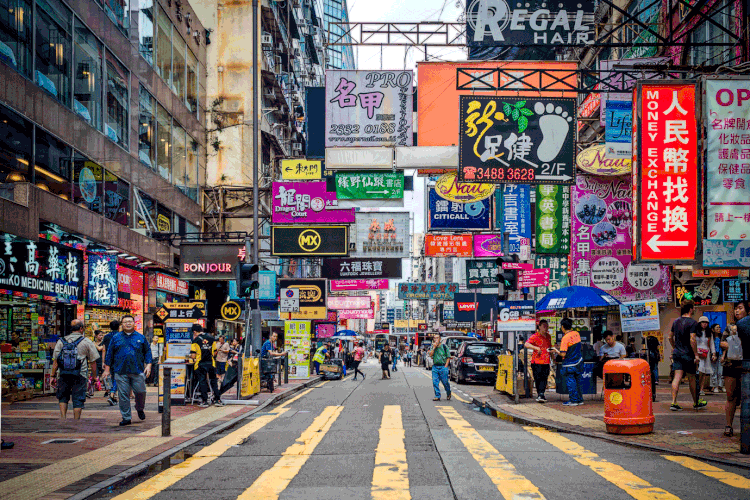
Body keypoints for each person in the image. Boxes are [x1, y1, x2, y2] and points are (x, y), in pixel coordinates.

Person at [102, 315, 152, 426]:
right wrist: (107, 369)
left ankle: (139, 408)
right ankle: (126, 417)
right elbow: (109, 354)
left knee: (141, 392)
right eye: (125, 322)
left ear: (134, 323)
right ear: (122, 324)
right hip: (120, 371)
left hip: (138, 371)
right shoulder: (116, 338)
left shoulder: (141, 337)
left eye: (130, 321)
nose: (128, 323)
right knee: (123, 395)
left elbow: (148, 352)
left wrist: (148, 365)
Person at [50, 319, 99, 420]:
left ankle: (63, 417)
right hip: (80, 374)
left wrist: (52, 375)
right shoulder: (86, 341)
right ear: (81, 329)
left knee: (63, 396)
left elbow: (56, 360)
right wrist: (94, 377)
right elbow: (93, 361)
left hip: (63, 373)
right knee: (78, 398)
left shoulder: (61, 341)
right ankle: (76, 420)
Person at [668, 301, 707, 411]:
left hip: (677, 353)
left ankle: (673, 402)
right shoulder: (693, 323)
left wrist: (675, 347)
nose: (694, 309)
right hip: (688, 354)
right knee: (692, 379)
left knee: (677, 377)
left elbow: (669, 337)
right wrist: (696, 354)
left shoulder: (675, 321)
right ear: (690, 309)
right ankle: (696, 402)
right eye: (693, 307)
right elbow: (692, 339)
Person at [721, 301, 749, 436]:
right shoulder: (730, 327)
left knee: (746, 396)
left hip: (745, 366)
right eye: (735, 309)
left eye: (740, 308)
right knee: (730, 396)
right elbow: (722, 342)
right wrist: (731, 345)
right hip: (731, 365)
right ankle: (728, 425)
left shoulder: (747, 326)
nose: (737, 311)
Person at [551, 318, 584, 407]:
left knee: (571, 382)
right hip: (579, 362)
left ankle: (573, 400)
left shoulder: (565, 338)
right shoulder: (577, 334)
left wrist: (555, 350)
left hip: (569, 364)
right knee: (578, 381)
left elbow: (562, 354)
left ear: (562, 327)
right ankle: (580, 400)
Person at [190, 324, 224, 408]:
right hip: (211, 363)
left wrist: (193, 356)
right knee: (213, 382)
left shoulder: (195, 340)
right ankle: (217, 400)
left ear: (194, 332)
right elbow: (215, 352)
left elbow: (193, 355)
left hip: (200, 364)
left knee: (202, 382)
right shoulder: (212, 338)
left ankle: (205, 401)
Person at [525, 319, 552, 403]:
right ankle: (540, 394)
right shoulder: (535, 336)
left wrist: (553, 358)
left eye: (547, 326)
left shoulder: (548, 336)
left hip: (546, 361)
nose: (546, 328)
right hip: (536, 362)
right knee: (538, 378)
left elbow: (550, 348)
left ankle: (541, 394)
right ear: (539, 327)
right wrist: (536, 348)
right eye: (544, 326)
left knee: (544, 378)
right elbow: (526, 344)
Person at [695, 316, 715, 396]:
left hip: (706, 353)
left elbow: (711, 343)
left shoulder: (709, 332)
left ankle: (701, 389)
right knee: (698, 372)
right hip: (697, 353)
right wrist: (696, 352)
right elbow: (693, 342)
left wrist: (713, 353)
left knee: (704, 373)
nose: (704, 324)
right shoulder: (695, 332)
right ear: (699, 323)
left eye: (706, 323)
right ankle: (696, 388)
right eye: (703, 322)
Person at [101, 320, 120, 406]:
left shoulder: (106, 336)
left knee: (112, 376)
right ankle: (112, 393)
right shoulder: (120, 335)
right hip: (118, 359)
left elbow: (104, 349)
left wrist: (104, 361)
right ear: (119, 326)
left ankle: (112, 394)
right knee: (116, 376)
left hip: (109, 359)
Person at [429, 333, 451, 401]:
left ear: (440, 339)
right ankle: (437, 395)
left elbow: (448, 357)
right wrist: (434, 348)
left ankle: (448, 392)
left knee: (445, 382)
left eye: (437, 338)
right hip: (435, 367)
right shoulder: (433, 347)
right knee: (435, 382)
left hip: (443, 367)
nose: (436, 339)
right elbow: (430, 355)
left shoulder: (444, 347)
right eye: (434, 338)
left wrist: (445, 366)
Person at [710, 323, 724, 393]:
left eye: (719, 327)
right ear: (713, 329)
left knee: (720, 371)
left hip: (721, 355)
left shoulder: (722, 337)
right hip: (713, 355)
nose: (719, 329)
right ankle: (715, 386)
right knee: (713, 371)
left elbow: (724, 347)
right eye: (717, 328)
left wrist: (724, 356)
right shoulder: (711, 337)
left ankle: (721, 386)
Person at [646, 336, 661, 402]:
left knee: (649, 368)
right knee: (655, 368)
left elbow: (644, 347)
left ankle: (650, 379)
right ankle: (656, 380)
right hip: (654, 354)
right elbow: (657, 347)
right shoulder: (655, 338)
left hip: (649, 354)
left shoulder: (646, 339)